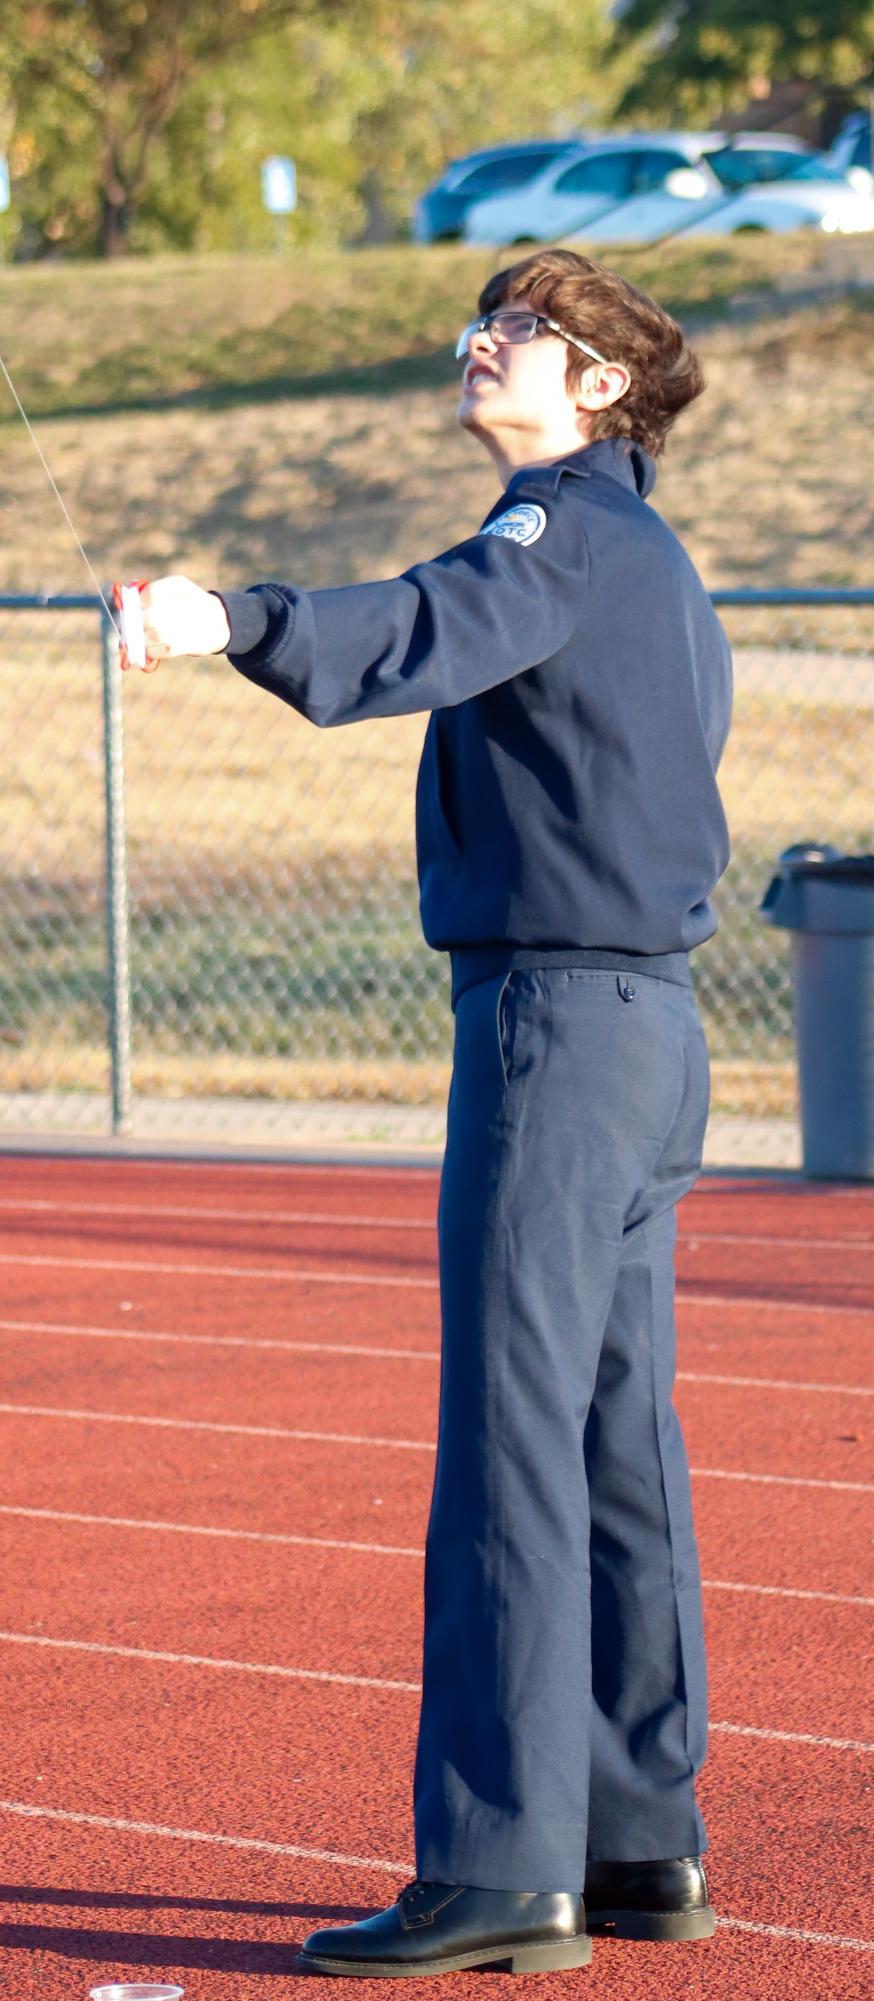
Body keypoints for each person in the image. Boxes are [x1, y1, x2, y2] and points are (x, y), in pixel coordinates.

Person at [139, 247, 732, 1979]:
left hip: (554, 1022)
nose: (485, 344)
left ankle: (499, 1867)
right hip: (651, 1032)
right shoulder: (651, 554)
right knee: (620, 1447)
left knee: (512, 1445)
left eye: (526, 331)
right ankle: (637, 1839)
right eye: (484, 322)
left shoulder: (552, 534)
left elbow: (417, 629)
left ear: (602, 387)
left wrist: (225, 614)